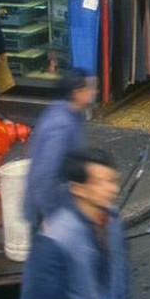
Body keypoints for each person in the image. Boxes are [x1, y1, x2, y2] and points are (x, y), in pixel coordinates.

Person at [19, 147, 128, 299]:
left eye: (112, 180)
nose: (113, 189)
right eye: (99, 182)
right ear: (77, 189)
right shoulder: (54, 240)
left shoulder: (111, 218)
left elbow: (118, 272)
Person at [24, 68, 97, 227]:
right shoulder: (61, 125)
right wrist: (50, 216)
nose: (94, 91)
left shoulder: (71, 113)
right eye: (90, 87)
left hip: (62, 203)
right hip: (49, 209)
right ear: (77, 92)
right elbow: (44, 174)